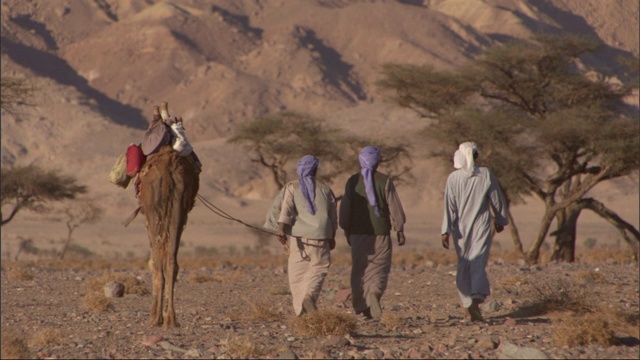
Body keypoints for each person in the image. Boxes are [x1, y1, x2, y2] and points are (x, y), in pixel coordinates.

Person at [441, 142, 508, 322]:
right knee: (477, 262)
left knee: (464, 263)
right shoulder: (485, 174)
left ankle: (468, 304)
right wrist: (500, 220)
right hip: (481, 226)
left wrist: (445, 231)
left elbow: (449, 206)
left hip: (459, 229)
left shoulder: (453, 178)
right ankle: (475, 302)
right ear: (476, 156)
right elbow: (497, 199)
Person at [339, 146, 406, 320]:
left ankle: (362, 305)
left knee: (360, 269)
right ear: (377, 161)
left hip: (357, 233)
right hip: (381, 232)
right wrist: (399, 228)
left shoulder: (352, 181)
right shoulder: (384, 180)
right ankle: (374, 294)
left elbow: (345, 208)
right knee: (379, 268)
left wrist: (345, 228)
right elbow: (394, 206)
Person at [275, 155, 338, 316]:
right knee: (318, 270)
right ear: (315, 170)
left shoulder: (292, 187)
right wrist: (332, 236)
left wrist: (281, 230)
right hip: (322, 235)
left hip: (299, 239)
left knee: (297, 275)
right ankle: (309, 297)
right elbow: (333, 216)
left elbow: (286, 210)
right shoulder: (326, 189)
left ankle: (300, 313)